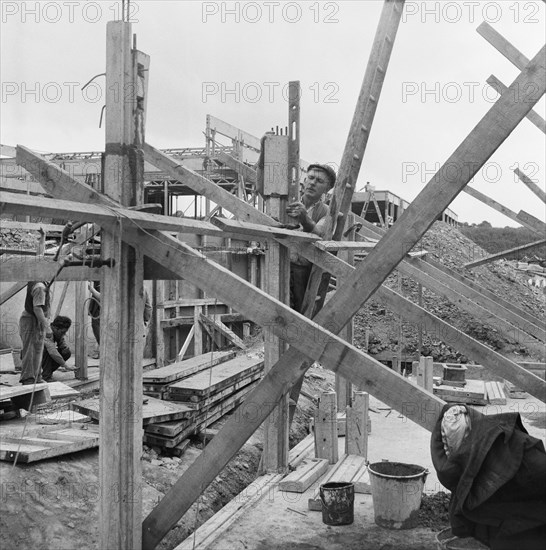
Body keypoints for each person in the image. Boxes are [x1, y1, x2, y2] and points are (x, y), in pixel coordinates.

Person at [286, 164, 336, 313]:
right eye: (311, 178)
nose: (313, 183)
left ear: (327, 189)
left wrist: (304, 218)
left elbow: (319, 233)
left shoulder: (327, 212)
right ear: (304, 180)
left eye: (319, 181)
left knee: (301, 315)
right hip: (281, 263)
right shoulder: (288, 202)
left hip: (304, 273)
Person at [87, 282, 152, 347]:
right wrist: (143, 323)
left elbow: (106, 299)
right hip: (138, 331)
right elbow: (148, 311)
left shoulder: (120, 284)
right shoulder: (144, 288)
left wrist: (92, 290)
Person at [19, 281, 51, 385]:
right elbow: (37, 308)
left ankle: (36, 377)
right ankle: (28, 378)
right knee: (30, 349)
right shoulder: (40, 287)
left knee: (37, 349)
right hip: (31, 319)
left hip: (36, 319)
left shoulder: (41, 282)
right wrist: (47, 326)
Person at [41, 316, 74, 382]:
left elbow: (62, 343)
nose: (64, 334)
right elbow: (52, 351)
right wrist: (65, 365)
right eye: (62, 332)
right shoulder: (47, 332)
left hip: (42, 357)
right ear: (55, 328)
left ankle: (48, 371)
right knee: (48, 351)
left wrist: (64, 347)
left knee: (66, 352)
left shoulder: (57, 333)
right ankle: (46, 376)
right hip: (33, 358)